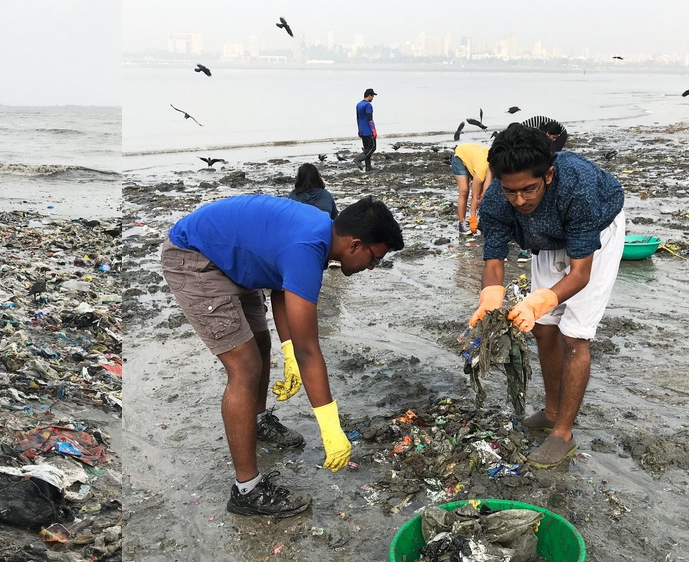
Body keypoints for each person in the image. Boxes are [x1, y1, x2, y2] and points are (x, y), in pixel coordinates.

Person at [161, 194, 405, 517]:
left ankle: (258, 421)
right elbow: (309, 351)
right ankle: (246, 490)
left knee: (260, 343)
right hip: (195, 258)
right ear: (355, 245)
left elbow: (282, 285)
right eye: (375, 259)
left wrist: (286, 349)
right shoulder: (307, 248)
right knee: (245, 366)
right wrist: (330, 427)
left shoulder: (321, 232)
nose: (372, 267)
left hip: (232, 259)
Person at [470, 124, 624, 468]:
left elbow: (580, 273)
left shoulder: (579, 188)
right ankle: (552, 411)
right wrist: (490, 296)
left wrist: (543, 299)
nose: (519, 200)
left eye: (529, 189)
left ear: (548, 175)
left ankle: (563, 434)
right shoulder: (496, 199)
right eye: (511, 191)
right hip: (545, 235)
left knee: (574, 335)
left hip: (595, 234)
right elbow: (493, 261)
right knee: (542, 328)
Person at [450, 143, 493, 233]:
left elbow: (486, 194)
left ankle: (482, 221)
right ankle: (462, 223)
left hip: (476, 156)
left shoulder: (496, 173)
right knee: (464, 190)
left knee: (486, 195)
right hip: (461, 155)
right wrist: (473, 221)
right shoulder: (481, 172)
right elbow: (474, 197)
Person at [352, 88, 378, 172]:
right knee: (372, 147)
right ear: (369, 96)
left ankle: (368, 167)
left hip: (362, 129)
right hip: (368, 130)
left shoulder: (358, 104)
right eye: (372, 96)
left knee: (366, 148)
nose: (373, 98)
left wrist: (359, 129)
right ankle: (358, 159)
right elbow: (370, 119)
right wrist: (373, 130)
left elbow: (358, 118)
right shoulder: (368, 105)